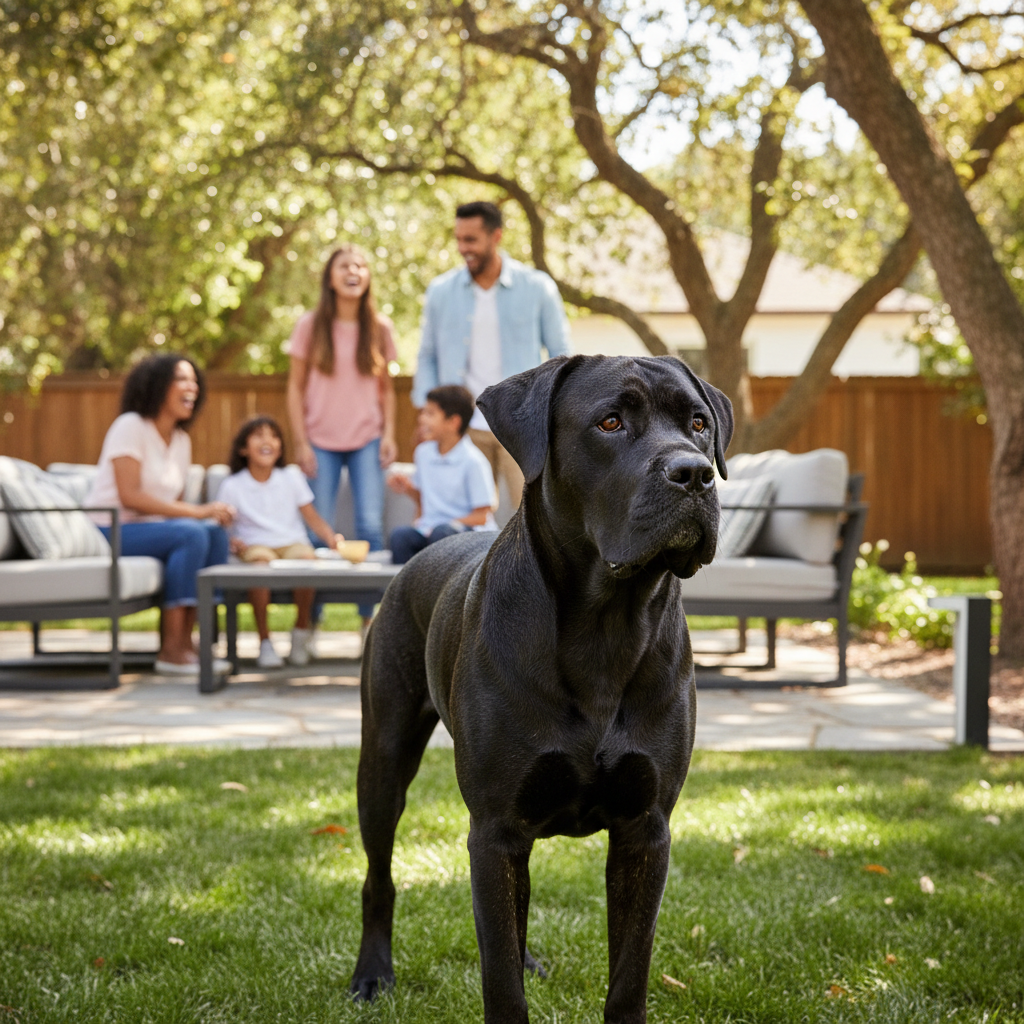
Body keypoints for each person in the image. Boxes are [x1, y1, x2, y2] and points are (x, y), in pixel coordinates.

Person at [412, 200, 572, 508]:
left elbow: (560, 355)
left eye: (470, 239)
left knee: (532, 515)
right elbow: (427, 355)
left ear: (496, 236)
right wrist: (427, 413)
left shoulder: (537, 288)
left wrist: (551, 415)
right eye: (458, 239)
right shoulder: (440, 291)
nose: (463, 248)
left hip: (521, 424)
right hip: (463, 427)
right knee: (466, 522)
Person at [85, 354, 234, 676]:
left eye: (195, 381)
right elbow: (131, 496)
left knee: (211, 533)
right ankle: (171, 650)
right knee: (192, 531)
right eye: (182, 379)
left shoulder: (181, 440)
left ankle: (190, 641)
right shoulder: (131, 426)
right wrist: (198, 511)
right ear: (157, 385)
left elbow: (172, 506)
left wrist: (202, 517)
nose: (191, 387)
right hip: (108, 529)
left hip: (149, 531)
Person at [286, 243, 398, 633]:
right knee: (318, 530)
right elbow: (295, 387)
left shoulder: (380, 327)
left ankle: (369, 627)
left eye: (361, 265)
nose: (354, 271)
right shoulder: (310, 325)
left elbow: (386, 390)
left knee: (369, 525)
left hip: (367, 438)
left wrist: (388, 435)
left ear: (367, 277)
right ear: (330, 277)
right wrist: (300, 441)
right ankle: (307, 625)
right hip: (319, 440)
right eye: (345, 265)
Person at [216, 415, 343, 669]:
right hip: (256, 546)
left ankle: (300, 631)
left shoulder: (291, 476)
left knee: (307, 559)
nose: (268, 441)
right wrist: (233, 541)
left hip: (291, 542)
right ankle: (265, 641)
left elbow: (311, 516)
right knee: (260, 565)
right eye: (259, 435)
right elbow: (224, 526)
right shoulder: (232, 485)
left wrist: (332, 538)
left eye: (273, 436)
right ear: (243, 449)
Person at [387, 385, 497, 565]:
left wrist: (441, 525)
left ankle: (442, 591)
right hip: (432, 533)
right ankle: (408, 592)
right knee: (400, 537)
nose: (421, 419)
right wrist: (407, 488)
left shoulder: (473, 461)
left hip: (467, 537)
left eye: (430, 414)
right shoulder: (423, 453)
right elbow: (423, 500)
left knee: (443, 533)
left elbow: (481, 516)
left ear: (453, 422)